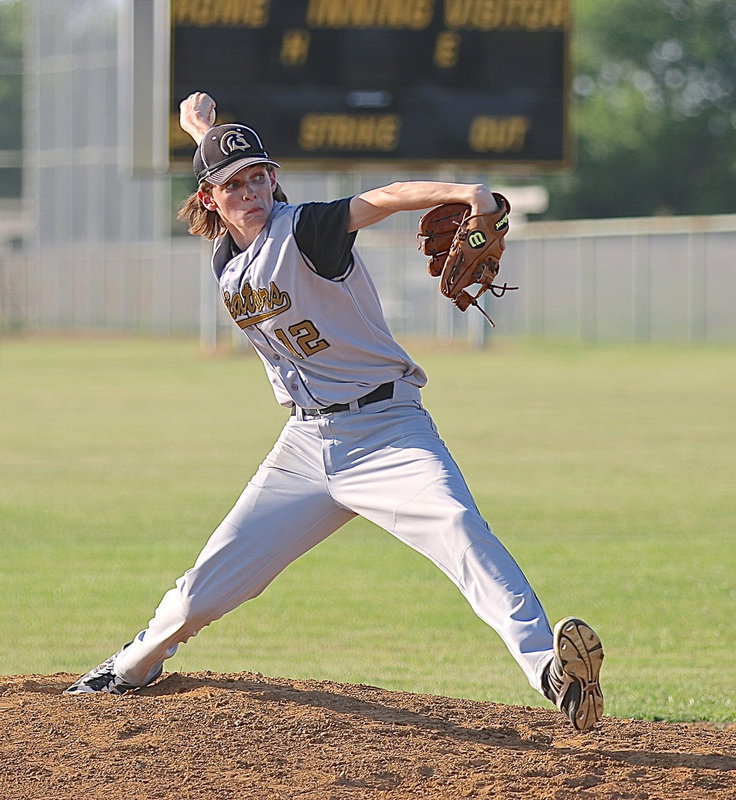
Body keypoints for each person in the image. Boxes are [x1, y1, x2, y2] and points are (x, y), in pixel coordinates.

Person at [65, 92, 605, 731]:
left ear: (274, 179)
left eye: (260, 175)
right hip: (304, 445)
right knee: (210, 582)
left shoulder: (307, 230)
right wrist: (201, 128)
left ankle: (551, 671)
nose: (252, 190)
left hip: (388, 432)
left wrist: (468, 193)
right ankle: (133, 665)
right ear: (210, 198)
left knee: (462, 531)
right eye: (235, 183)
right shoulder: (228, 255)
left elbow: (382, 197)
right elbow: (218, 160)